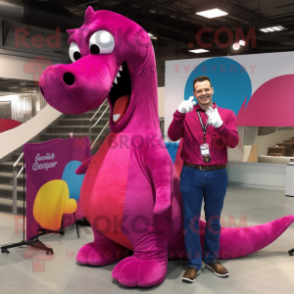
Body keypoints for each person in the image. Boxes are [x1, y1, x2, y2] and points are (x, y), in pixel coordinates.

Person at [168, 75, 239, 283]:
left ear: (212, 90)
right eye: (199, 91)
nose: (203, 94)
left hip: (217, 173)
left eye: (206, 89)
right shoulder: (188, 114)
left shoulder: (227, 114)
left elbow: (233, 142)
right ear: (195, 93)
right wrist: (178, 114)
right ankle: (194, 264)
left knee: (213, 219)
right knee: (190, 219)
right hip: (191, 173)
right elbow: (172, 135)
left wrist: (220, 126)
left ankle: (211, 258)